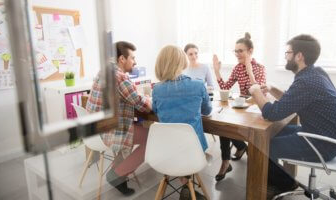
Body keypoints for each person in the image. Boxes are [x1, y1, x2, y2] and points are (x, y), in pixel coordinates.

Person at [248, 34, 336, 196]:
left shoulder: (306, 82)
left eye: (288, 53)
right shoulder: (316, 73)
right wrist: (272, 88)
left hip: (323, 144)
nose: (286, 57)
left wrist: (255, 91)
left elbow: (272, 114)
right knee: (270, 136)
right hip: (326, 135)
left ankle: (285, 184)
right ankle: (280, 179)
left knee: (260, 146)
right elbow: (292, 101)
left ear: (299, 56)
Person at [86, 41, 152, 196]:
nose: (135, 62)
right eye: (133, 58)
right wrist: (149, 99)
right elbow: (142, 105)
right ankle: (117, 175)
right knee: (151, 137)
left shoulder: (104, 71)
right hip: (109, 131)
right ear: (122, 59)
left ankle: (117, 172)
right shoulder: (119, 76)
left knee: (139, 131)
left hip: (94, 130)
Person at [152, 45, 212, 200]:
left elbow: (155, 110)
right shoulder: (198, 85)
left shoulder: (157, 89)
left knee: (179, 143)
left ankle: (185, 183)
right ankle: (186, 184)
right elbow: (207, 111)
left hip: (166, 151)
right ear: (182, 62)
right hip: (193, 151)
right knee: (189, 143)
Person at [212, 32, 266, 181]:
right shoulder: (237, 68)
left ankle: (242, 148)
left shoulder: (260, 68)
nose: (237, 54)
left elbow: (258, 92)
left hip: (257, 110)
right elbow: (225, 86)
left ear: (250, 51)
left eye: (240, 50)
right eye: (235, 51)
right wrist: (217, 71)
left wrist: (249, 68)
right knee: (223, 125)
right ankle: (225, 162)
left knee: (233, 129)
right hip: (242, 108)